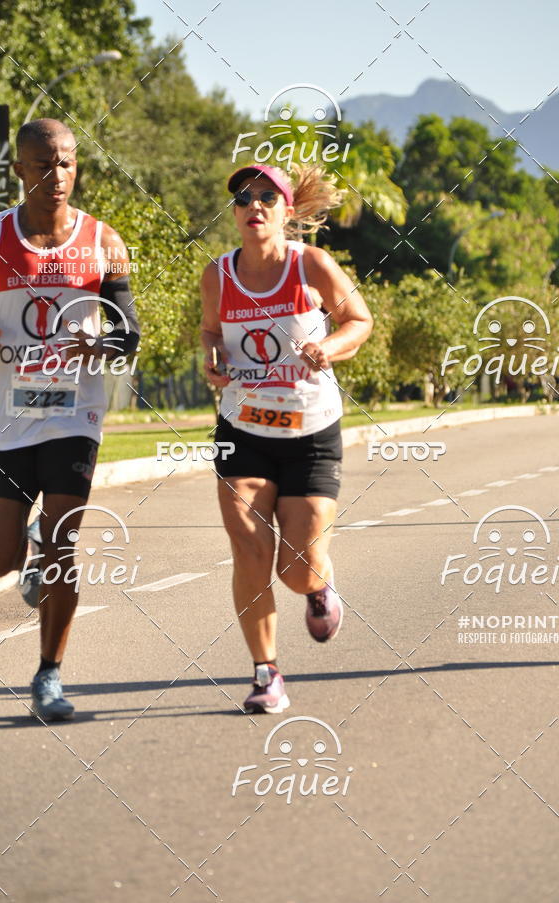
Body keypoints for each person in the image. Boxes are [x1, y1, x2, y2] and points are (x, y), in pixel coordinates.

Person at [201, 163, 372, 713]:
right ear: (234, 212)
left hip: (311, 430)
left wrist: (331, 347)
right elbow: (209, 331)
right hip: (243, 429)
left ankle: (319, 588)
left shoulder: (311, 265)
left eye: (267, 198)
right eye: (244, 198)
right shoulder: (217, 275)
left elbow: (359, 320)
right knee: (250, 550)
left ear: (286, 211)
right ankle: (265, 673)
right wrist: (213, 358)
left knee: (295, 569)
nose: (254, 205)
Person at [0, 118, 140, 721]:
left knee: (62, 541)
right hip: (6, 416)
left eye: (68, 163)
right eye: (44, 164)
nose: (58, 176)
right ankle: (23, 549)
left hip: (72, 416)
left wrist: (99, 348)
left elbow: (128, 337)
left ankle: (48, 676)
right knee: (3, 558)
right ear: (19, 170)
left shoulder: (104, 242)